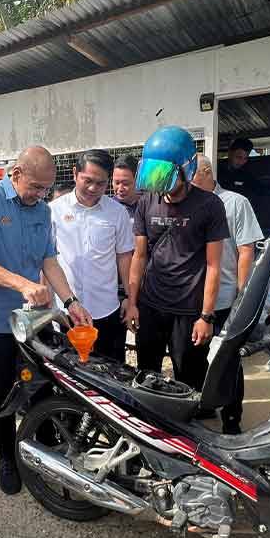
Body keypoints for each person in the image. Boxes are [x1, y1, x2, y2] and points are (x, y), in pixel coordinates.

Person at [0, 146, 93, 495]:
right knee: (3, 388)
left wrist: (71, 301)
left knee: (45, 380)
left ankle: (47, 446)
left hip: (35, 315)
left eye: (46, 189)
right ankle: (7, 456)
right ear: (16, 173)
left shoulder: (41, 211)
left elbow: (49, 260)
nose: (40, 195)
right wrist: (22, 283)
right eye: (35, 186)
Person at [127, 127, 229, 391]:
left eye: (165, 175)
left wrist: (206, 316)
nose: (159, 183)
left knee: (188, 381)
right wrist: (132, 302)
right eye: (153, 174)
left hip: (189, 311)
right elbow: (139, 256)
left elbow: (214, 265)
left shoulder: (210, 205)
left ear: (188, 169)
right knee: (146, 376)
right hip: (150, 306)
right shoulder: (147, 201)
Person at [190, 153, 261, 433]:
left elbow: (246, 251)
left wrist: (242, 297)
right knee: (195, 360)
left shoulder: (235, 203)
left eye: (190, 176)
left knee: (227, 362)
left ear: (206, 172)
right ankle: (202, 408)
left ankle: (232, 419)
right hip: (193, 301)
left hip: (225, 299)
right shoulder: (187, 204)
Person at [50, 149, 135, 363]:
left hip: (107, 309)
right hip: (68, 312)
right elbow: (47, 260)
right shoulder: (53, 211)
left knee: (112, 371)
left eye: (100, 183)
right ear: (74, 174)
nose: (93, 188)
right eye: (87, 180)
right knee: (72, 373)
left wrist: (130, 299)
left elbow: (125, 258)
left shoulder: (117, 213)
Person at [216, 137, 270, 235]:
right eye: (238, 157)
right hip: (219, 217)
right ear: (230, 153)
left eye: (245, 158)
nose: (241, 162)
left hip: (239, 219)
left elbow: (260, 189)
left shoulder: (245, 174)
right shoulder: (216, 169)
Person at [112, 154, 141, 221]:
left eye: (125, 184)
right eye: (117, 183)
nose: (120, 189)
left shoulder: (148, 206)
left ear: (137, 180)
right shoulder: (107, 208)